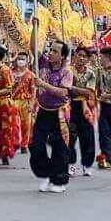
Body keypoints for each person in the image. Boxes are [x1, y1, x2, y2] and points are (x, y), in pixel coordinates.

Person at [29, 43, 74, 193]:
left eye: (55, 51)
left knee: (59, 146)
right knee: (36, 143)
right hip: (42, 110)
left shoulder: (66, 72)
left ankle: (59, 180)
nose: (51, 53)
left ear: (62, 56)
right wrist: (35, 26)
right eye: (50, 50)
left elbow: (63, 92)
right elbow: (32, 46)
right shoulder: (43, 63)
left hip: (59, 112)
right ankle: (44, 174)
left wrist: (43, 84)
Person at [65, 46, 97, 177]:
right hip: (70, 106)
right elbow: (64, 89)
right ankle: (70, 164)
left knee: (87, 136)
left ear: (88, 59)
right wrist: (74, 89)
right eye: (79, 55)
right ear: (74, 56)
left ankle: (87, 164)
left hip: (86, 107)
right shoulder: (67, 71)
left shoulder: (91, 74)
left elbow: (89, 92)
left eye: (84, 56)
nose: (81, 58)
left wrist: (72, 87)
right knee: (70, 136)